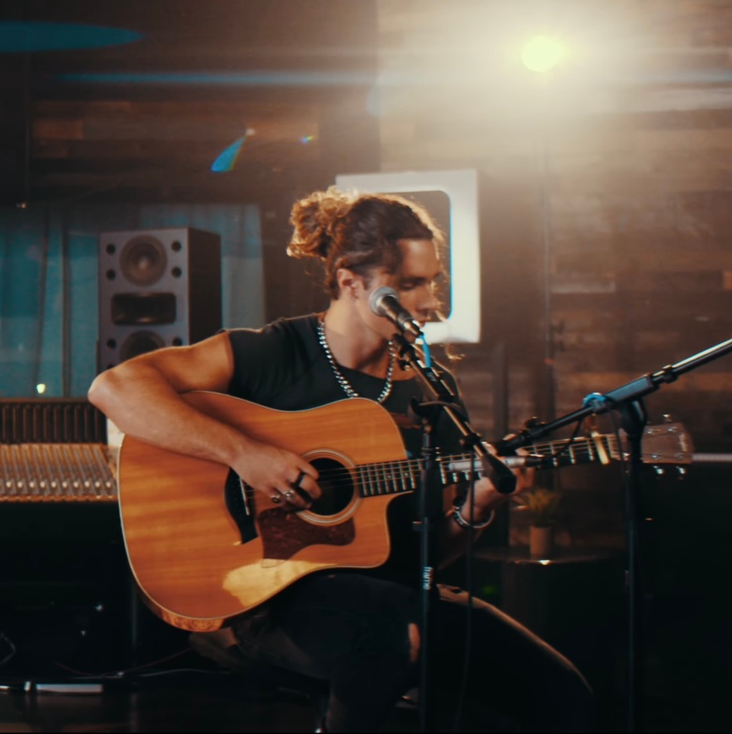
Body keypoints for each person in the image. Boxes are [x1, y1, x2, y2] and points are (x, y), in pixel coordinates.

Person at [88, 188, 593, 731]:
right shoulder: (278, 351)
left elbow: (430, 552)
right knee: (389, 640)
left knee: (563, 694)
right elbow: (115, 388)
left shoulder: (432, 390)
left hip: (400, 599)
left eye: (432, 280)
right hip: (271, 594)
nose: (430, 302)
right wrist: (246, 454)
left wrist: (479, 504)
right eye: (409, 285)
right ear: (352, 284)